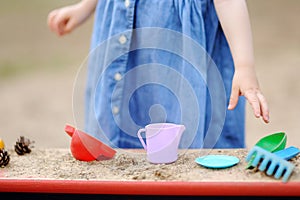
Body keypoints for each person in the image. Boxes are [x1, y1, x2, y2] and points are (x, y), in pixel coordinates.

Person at [48, 0, 269, 149]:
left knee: (182, 151)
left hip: (179, 47)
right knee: (116, 151)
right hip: (120, 31)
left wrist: (245, 66)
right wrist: (86, 7)